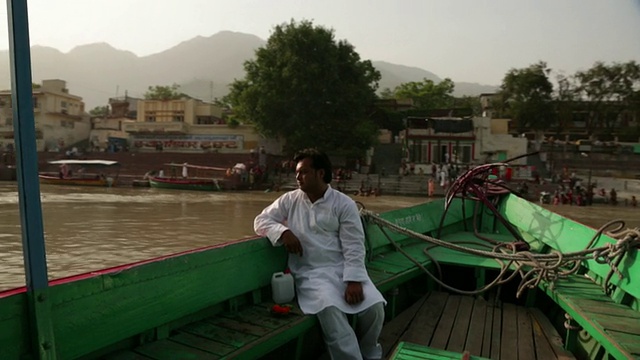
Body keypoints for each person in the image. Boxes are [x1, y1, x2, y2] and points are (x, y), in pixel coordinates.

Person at [254, 149, 386, 360]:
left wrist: (353, 280)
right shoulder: (290, 200)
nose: (298, 177)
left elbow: (354, 244)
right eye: (297, 172)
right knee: (330, 310)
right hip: (310, 273)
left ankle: (370, 354)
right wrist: (283, 232)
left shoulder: (343, 204)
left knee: (375, 307)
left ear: (320, 173)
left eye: (304, 172)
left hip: (343, 269)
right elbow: (260, 221)